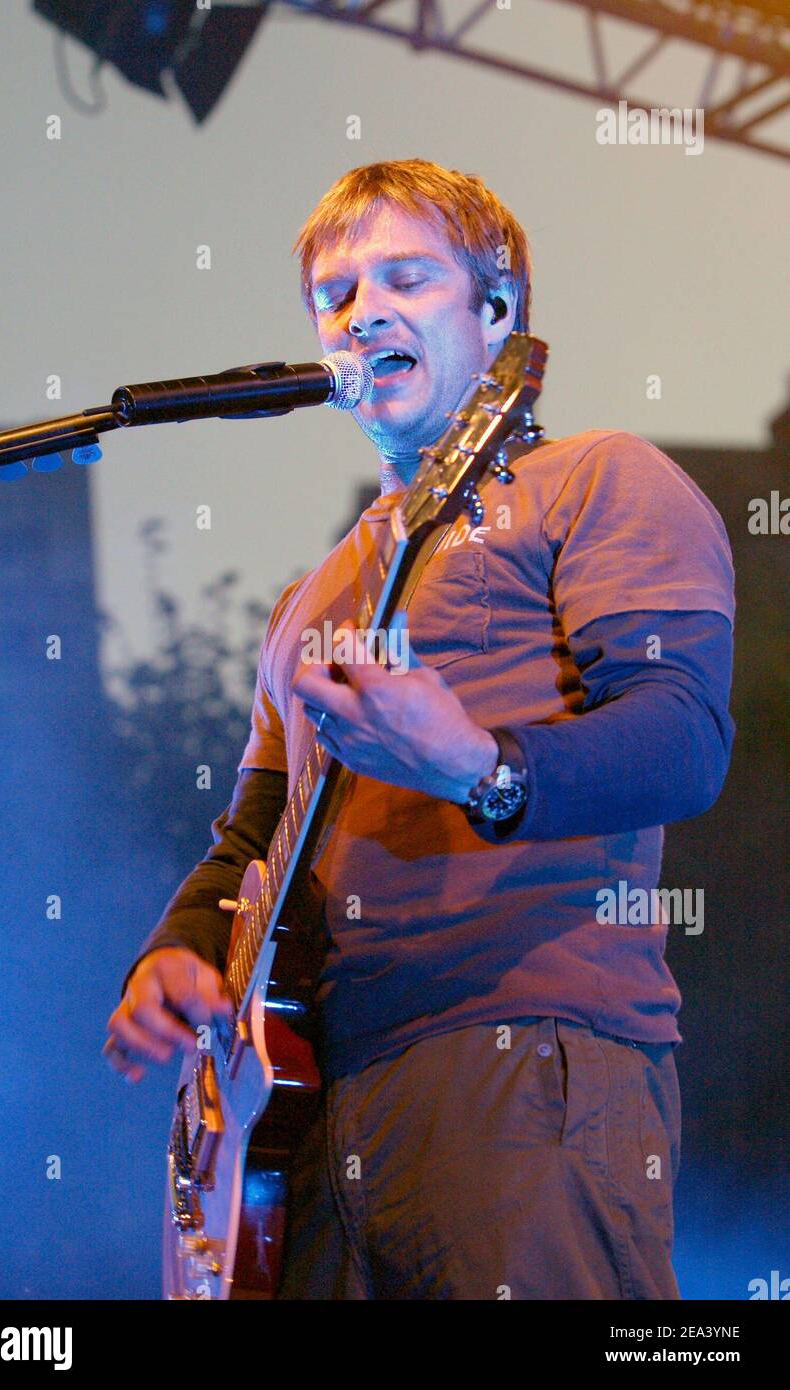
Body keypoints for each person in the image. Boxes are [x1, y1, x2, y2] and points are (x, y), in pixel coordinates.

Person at [104, 159, 735, 1300]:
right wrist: (179, 950)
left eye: (407, 276)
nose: (363, 311)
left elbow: (681, 738)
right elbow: (253, 831)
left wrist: (475, 763)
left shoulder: (596, 479)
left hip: (519, 1043)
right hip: (301, 1100)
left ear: (496, 315)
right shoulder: (314, 593)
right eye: (335, 296)